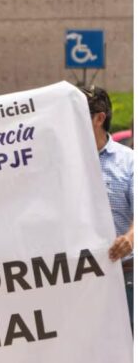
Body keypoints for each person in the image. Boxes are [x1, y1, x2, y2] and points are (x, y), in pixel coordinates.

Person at [80, 86, 134, 330]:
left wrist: (130, 238)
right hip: (79, 280)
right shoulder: (61, 161)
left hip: (125, 278)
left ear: (99, 118)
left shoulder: (129, 162)